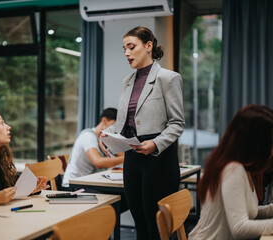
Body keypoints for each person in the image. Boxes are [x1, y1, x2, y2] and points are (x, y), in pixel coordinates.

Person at [100, 26, 185, 240]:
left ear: (148, 46)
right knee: (140, 225)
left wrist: (155, 144)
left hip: (158, 158)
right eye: (124, 49)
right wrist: (107, 135)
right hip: (132, 158)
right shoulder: (127, 82)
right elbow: (122, 123)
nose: (126, 53)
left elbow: (177, 123)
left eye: (131, 47)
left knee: (156, 228)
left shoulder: (169, 78)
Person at [189, 104, 273, 240]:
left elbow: (248, 211)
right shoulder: (233, 169)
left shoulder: (243, 167)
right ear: (257, 143)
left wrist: (270, 209)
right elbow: (239, 229)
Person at [62, 108, 124, 188]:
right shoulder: (88, 136)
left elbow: (121, 154)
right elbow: (98, 162)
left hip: (87, 183)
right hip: (73, 186)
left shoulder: (103, 138)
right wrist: (125, 158)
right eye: (114, 126)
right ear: (104, 120)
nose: (115, 130)